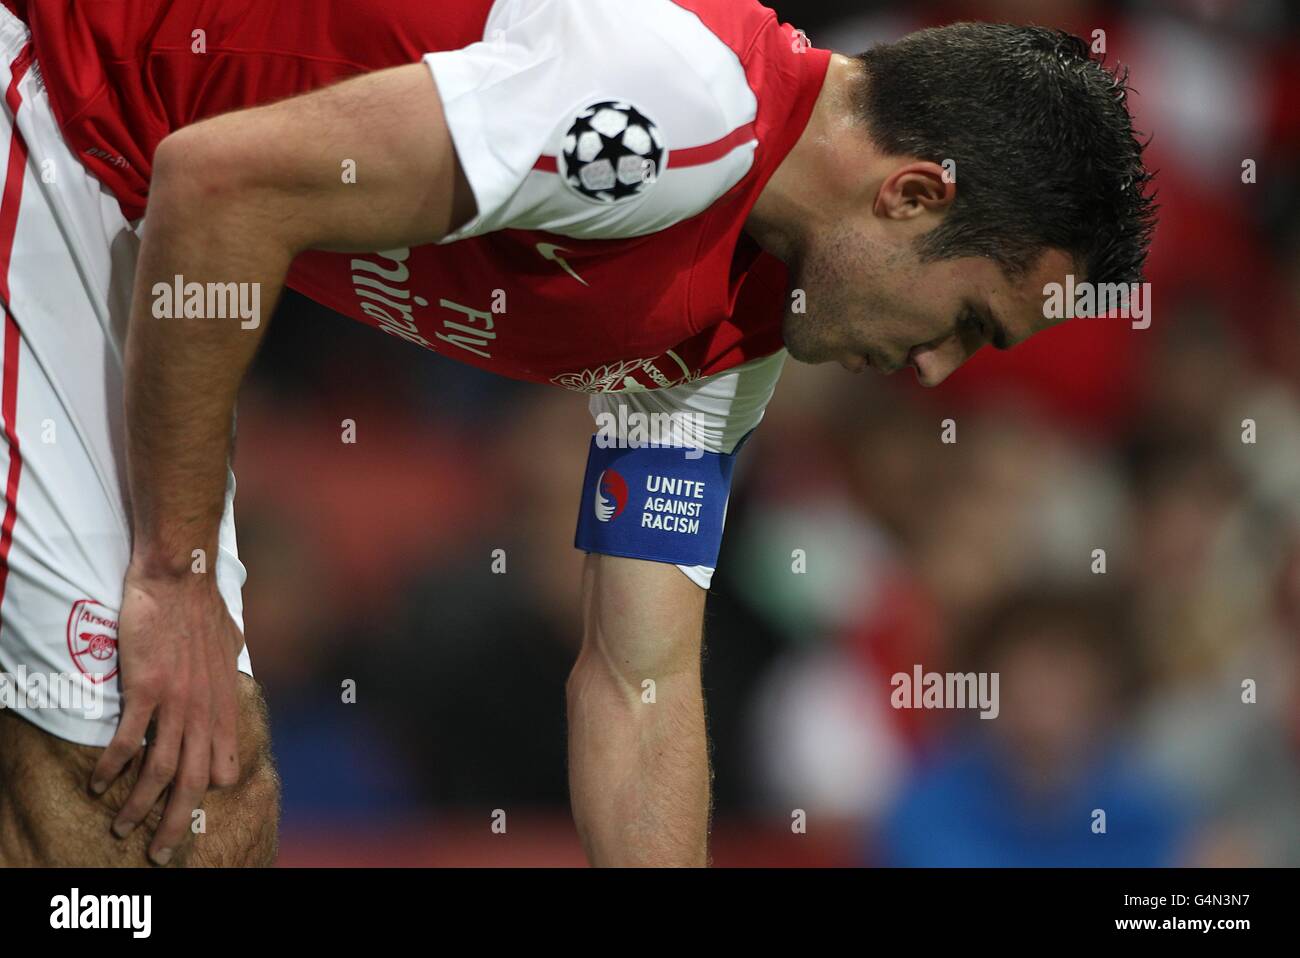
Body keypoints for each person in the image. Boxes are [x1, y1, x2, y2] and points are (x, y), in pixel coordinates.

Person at [0, 0, 1154, 866]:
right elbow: (215, 186)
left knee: (194, 810)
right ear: (910, 195)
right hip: (59, 98)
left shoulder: (726, 345)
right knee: (157, 796)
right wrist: (179, 574)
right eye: (965, 322)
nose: (935, 371)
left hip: (131, 198)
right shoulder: (678, 115)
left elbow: (638, 678)